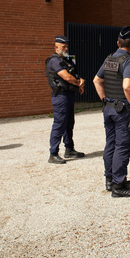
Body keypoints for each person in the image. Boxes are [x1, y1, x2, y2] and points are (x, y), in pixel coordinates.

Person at [93, 26, 130, 198]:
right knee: (122, 147)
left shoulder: (109, 60)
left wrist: (104, 100)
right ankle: (118, 185)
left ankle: (110, 179)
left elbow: (97, 80)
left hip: (108, 108)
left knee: (111, 144)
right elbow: (127, 86)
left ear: (118, 43)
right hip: (123, 111)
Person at [45, 35, 86, 164]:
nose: (66, 48)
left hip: (68, 94)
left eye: (67, 46)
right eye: (63, 46)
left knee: (69, 123)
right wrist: (79, 83)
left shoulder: (66, 60)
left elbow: (73, 75)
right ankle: (53, 153)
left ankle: (69, 149)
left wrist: (80, 81)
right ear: (56, 47)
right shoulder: (54, 60)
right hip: (61, 96)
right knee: (59, 124)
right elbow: (67, 77)